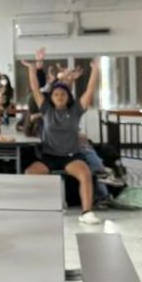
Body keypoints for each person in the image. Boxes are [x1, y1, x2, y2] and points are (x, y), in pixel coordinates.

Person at [22, 56, 102, 224]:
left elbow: (90, 90)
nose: (59, 97)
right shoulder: (46, 110)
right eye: (56, 94)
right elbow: (35, 88)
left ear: (68, 97)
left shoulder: (76, 110)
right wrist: (31, 69)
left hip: (70, 156)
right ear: (51, 97)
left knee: (85, 174)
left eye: (63, 94)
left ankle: (87, 212)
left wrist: (95, 70)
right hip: (49, 157)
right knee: (29, 173)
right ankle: (36, 209)